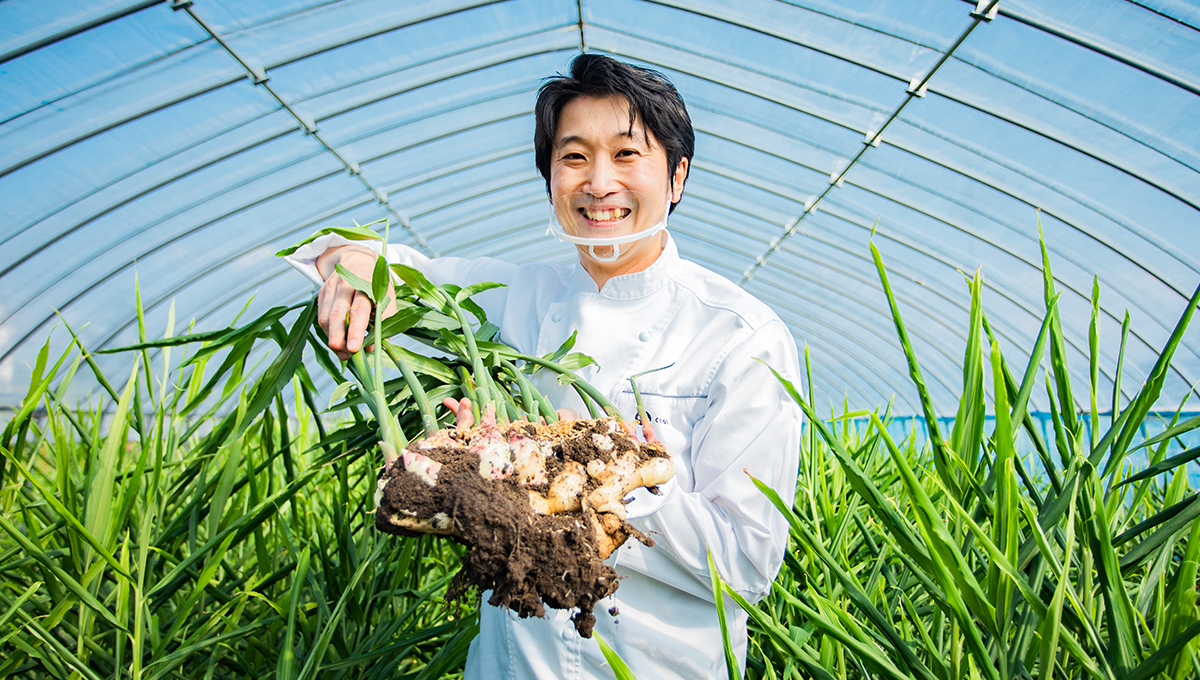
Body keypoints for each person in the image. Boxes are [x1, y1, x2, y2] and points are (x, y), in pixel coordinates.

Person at [285, 53, 803, 679]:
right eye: (575, 156)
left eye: (627, 155)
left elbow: (747, 562)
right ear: (549, 175)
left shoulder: (739, 335)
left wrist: (601, 482)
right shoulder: (511, 296)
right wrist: (353, 262)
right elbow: (382, 261)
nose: (599, 182)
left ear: (677, 176)